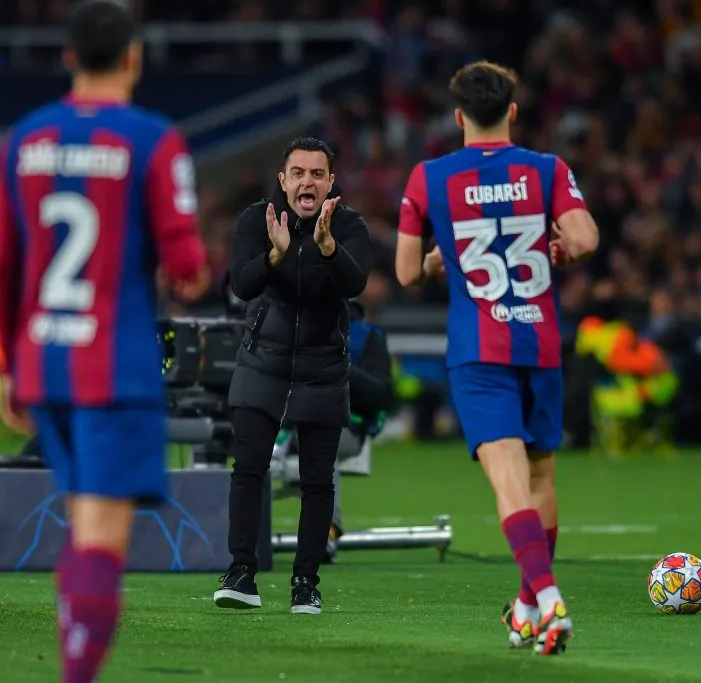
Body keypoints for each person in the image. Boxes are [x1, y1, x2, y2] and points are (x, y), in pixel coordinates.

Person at [0, 2, 209, 681]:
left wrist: (7, 365)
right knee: (101, 541)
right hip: (114, 367)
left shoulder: (24, 139)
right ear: (134, 57)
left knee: (84, 526)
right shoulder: (151, 139)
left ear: (68, 56)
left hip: (44, 360)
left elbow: (1, 264)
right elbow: (189, 264)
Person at [394, 60, 599, 655]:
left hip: (480, 349)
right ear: (512, 111)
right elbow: (584, 239)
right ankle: (528, 606)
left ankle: (549, 598)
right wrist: (556, 244)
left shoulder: (428, 177)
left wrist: (437, 259)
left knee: (508, 482)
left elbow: (407, 272)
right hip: (540, 343)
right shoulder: (546, 169)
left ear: (457, 115)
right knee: (541, 476)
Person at [214, 137, 371, 615]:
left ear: (330, 182)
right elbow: (242, 283)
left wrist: (327, 248)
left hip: (323, 366)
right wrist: (275, 257)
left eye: (317, 174)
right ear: (282, 180)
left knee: (318, 480)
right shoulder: (256, 220)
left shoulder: (348, 225)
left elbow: (356, 283)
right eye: (298, 173)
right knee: (249, 471)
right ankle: (241, 572)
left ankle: (306, 582)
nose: (307, 181)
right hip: (263, 362)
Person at [271, 299, 395, 562]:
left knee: (320, 442)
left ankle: (325, 532)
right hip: (283, 419)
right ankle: (221, 525)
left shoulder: (367, 336)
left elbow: (381, 395)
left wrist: (340, 367)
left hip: (345, 425)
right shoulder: (290, 326)